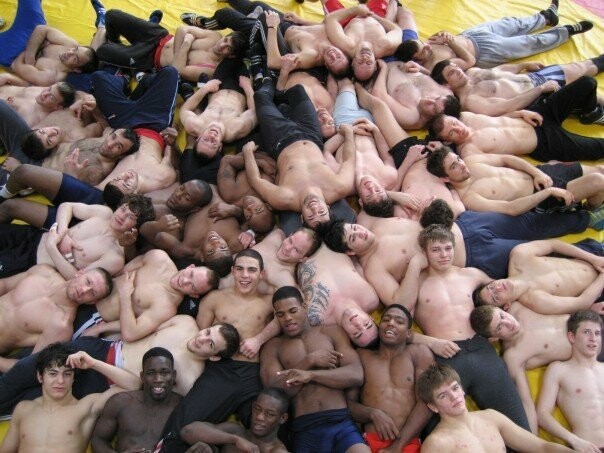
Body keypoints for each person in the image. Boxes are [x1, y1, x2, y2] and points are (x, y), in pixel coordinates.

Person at [397, 224, 530, 430]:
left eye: (448, 248)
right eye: (436, 250)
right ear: (424, 252)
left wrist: (507, 309)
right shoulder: (417, 282)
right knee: (436, 429)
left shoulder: (472, 275)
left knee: (516, 422)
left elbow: (506, 291)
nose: (444, 255)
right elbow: (398, 325)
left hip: (480, 349)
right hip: (444, 355)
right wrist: (432, 342)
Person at [0, 316, 240, 415]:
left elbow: (140, 390)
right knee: (27, 368)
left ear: (214, 357)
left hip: (104, 381)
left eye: (210, 344)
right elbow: (139, 328)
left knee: (32, 399)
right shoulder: (185, 322)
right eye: (207, 332)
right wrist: (101, 329)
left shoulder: (188, 380)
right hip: (102, 349)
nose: (201, 338)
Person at [158, 250, 271, 452]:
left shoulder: (269, 301)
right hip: (221, 369)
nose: (245, 275)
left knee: (266, 424)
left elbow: (286, 316)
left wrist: (259, 339)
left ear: (261, 274)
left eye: (252, 270)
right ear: (232, 271)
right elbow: (200, 336)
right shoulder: (214, 298)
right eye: (240, 269)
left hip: (252, 372)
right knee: (186, 421)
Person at [260, 286, 369, 452]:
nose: (287, 318)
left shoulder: (331, 332)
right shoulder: (273, 347)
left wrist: (310, 375)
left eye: (293, 311)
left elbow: (356, 375)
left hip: (341, 421)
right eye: (280, 314)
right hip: (305, 428)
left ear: (304, 307)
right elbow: (274, 393)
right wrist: (308, 361)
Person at [244, 81, 356, 216]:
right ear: (328, 208)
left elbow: (255, 180)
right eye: (321, 212)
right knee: (298, 90)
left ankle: (268, 81)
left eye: (311, 216)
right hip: (312, 135)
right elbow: (349, 160)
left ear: (302, 218)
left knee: (260, 96)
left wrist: (247, 152)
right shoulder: (340, 187)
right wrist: (349, 133)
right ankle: (276, 94)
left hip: (279, 139)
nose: (314, 208)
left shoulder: (284, 199)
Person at [354, 83, 465, 219]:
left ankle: (356, 86)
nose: (432, 199)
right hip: (434, 153)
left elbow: (382, 195)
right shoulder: (455, 209)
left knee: (379, 107)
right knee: (441, 113)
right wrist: (443, 151)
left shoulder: (406, 215)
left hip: (407, 155)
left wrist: (397, 195)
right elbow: (457, 181)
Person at [428, 76, 604, 162]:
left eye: (454, 123)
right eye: (452, 132)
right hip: (545, 142)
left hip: (537, 115)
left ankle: (589, 114)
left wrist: (520, 113)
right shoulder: (469, 151)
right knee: (600, 148)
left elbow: (500, 119)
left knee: (587, 82)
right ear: (447, 140)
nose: (458, 128)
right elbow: (502, 165)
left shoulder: (467, 117)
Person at [0, 345, 140, 453]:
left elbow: (134, 385)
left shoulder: (85, 407)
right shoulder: (24, 409)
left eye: (67, 374)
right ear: (40, 377)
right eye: (53, 374)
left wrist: (93, 363)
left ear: (73, 378)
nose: (60, 381)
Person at [416, 364, 572, 452]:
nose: (454, 396)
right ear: (433, 406)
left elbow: (541, 447)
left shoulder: (491, 417)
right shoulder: (437, 443)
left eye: (455, 388)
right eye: (443, 395)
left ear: (462, 389)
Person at [396, 1, 591, 70]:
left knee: (513, 23)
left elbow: (439, 37)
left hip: (472, 34)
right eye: (423, 50)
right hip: (485, 52)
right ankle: (567, 31)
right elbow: (470, 61)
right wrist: (452, 42)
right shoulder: (435, 66)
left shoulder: (424, 46)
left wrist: (443, 34)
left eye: (423, 44)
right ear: (417, 60)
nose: (427, 46)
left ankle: (546, 17)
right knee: (530, 42)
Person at [469, 304, 573, 433]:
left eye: (502, 316)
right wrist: (533, 441)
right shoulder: (514, 356)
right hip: (589, 350)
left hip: (587, 320)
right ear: (494, 338)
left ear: (501, 309)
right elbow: (526, 402)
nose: (508, 323)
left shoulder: (517, 306)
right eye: (500, 327)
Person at [75, 249, 218, 342]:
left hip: (95, 316)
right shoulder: (159, 258)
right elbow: (120, 271)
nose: (184, 280)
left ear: (194, 295)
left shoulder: (166, 308)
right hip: (87, 290)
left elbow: (131, 333)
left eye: (192, 286)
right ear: (190, 267)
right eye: (190, 274)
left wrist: (125, 297)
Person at [0, 195, 155, 278]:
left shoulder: (115, 258)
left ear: (135, 227)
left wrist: (52, 248)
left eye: (130, 217)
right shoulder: (103, 213)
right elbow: (67, 206)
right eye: (123, 209)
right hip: (33, 236)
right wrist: (63, 233)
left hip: (32, 262)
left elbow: (77, 279)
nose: (122, 216)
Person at [347, 304, 434, 452]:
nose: (391, 323)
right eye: (386, 319)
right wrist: (372, 414)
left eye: (399, 321)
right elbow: (347, 405)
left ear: (408, 333)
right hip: (368, 443)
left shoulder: (419, 353)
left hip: (407, 443)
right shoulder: (362, 356)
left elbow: (427, 403)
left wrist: (397, 446)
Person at [426, 146, 604, 215]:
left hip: (541, 174)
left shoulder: (472, 161)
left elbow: (506, 159)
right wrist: (548, 192)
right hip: (544, 197)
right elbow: (510, 209)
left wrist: (537, 172)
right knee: (598, 181)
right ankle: (590, 210)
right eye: (454, 166)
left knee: (600, 170)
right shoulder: (469, 198)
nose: (461, 164)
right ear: (445, 177)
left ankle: (592, 204)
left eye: (458, 159)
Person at [93, 7, 244, 81]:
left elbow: (177, 70)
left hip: (149, 58)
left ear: (231, 55)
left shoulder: (211, 70)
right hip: (157, 35)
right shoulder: (214, 36)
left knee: (100, 52)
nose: (222, 45)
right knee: (111, 15)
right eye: (226, 40)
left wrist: (186, 44)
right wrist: (180, 54)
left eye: (227, 48)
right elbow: (182, 29)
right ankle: (115, 40)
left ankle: (128, 62)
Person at [430, 56, 604, 120]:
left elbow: (500, 71)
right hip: (539, 95)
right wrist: (540, 90)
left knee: (583, 66)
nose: (458, 71)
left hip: (535, 77)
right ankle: (590, 113)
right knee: (587, 86)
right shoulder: (470, 101)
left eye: (456, 67)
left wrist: (523, 65)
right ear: (446, 84)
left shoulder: (473, 72)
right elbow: (507, 107)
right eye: (452, 73)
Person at [0, 266, 112, 359]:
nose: (84, 290)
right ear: (80, 273)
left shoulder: (60, 326)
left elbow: (28, 367)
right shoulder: (44, 272)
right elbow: (5, 284)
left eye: (92, 293)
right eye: (87, 282)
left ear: (92, 301)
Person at [473, 239, 604, 315]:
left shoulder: (519, 255)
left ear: (493, 281)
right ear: (506, 306)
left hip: (592, 253)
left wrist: (594, 259)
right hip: (600, 285)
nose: (497, 289)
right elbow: (582, 302)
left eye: (491, 287)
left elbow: (553, 245)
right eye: (496, 297)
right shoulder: (538, 301)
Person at [91, 347, 182, 453]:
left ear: (174, 375)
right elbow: (98, 439)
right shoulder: (120, 402)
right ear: (142, 376)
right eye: (151, 373)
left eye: (164, 373)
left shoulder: (183, 407)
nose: (158, 379)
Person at [536, 310, 604, 452]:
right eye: (586, 332)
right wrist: (574, 440)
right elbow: (542, 414)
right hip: (588, 448)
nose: (593, 338)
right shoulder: (559, 369)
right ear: (572, 337)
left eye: (597, 333)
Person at [297, 242, 380, 346]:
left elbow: (293, 286)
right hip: (333, 237)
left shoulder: (317, 319)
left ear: (346, 336)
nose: (358, 324)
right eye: (367, 324)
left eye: (356, 333)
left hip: (297, 247)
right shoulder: (370, 299)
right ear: (371, 318)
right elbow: (358, 263)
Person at [179, 59, 257, 159]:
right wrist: (248, 87)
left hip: (217, 87)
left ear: (198, 139)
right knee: (240, 60)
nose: (211, 136)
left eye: (205, 139)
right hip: (240, 90)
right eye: (213, 143)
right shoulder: (236, 129)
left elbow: (184, 109)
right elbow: (255, 111)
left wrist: (205, 88)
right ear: (220, 147)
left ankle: (201, 86)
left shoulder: (194, 126)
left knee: (228, 58)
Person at [0, 11, 97, 86]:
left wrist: (39, 43)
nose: (70, 52)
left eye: (75, 58)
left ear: (77, 69)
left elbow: (16, 65)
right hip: (31, 31)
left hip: (14, 52)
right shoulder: (71, 44)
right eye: (75, 49)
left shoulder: (50, 77)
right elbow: (41, 29)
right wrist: (31, 55)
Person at [181, 388, 290, 452]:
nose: (259, 417)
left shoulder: (277, 451)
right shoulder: (235, 431)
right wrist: (234, 440)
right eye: (257, 409)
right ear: (253, 407)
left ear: (283, 418)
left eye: (269, 414)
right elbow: (187, 431)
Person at [324, 4, 403, 81]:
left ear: (353, 63)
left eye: (360, 62)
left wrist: (355, 10)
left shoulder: (346, 45)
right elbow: (397, 30)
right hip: (374, 15)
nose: (365, 58)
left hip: (349, 18)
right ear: (375, 64)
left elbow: (330, 19)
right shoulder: (386, 45)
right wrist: (375, 17)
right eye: (369, 63)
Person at [371, 60, 456, 130]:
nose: (430, 100)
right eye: (437, 98)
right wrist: (420, 68)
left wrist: (384, 68)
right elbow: (432, 77)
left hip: (375, 71)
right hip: (402, 59)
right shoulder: (447, 94)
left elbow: (378, 94)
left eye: (434, 108)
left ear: (433, 120)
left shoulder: (411, 117)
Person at [0, 82, 76, 127]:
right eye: (49, 88)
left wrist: (6, 109)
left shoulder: (32, 120)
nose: (44, 94)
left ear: (58, 107)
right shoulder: (42, 90)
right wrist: (7, 77)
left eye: (51, 97)